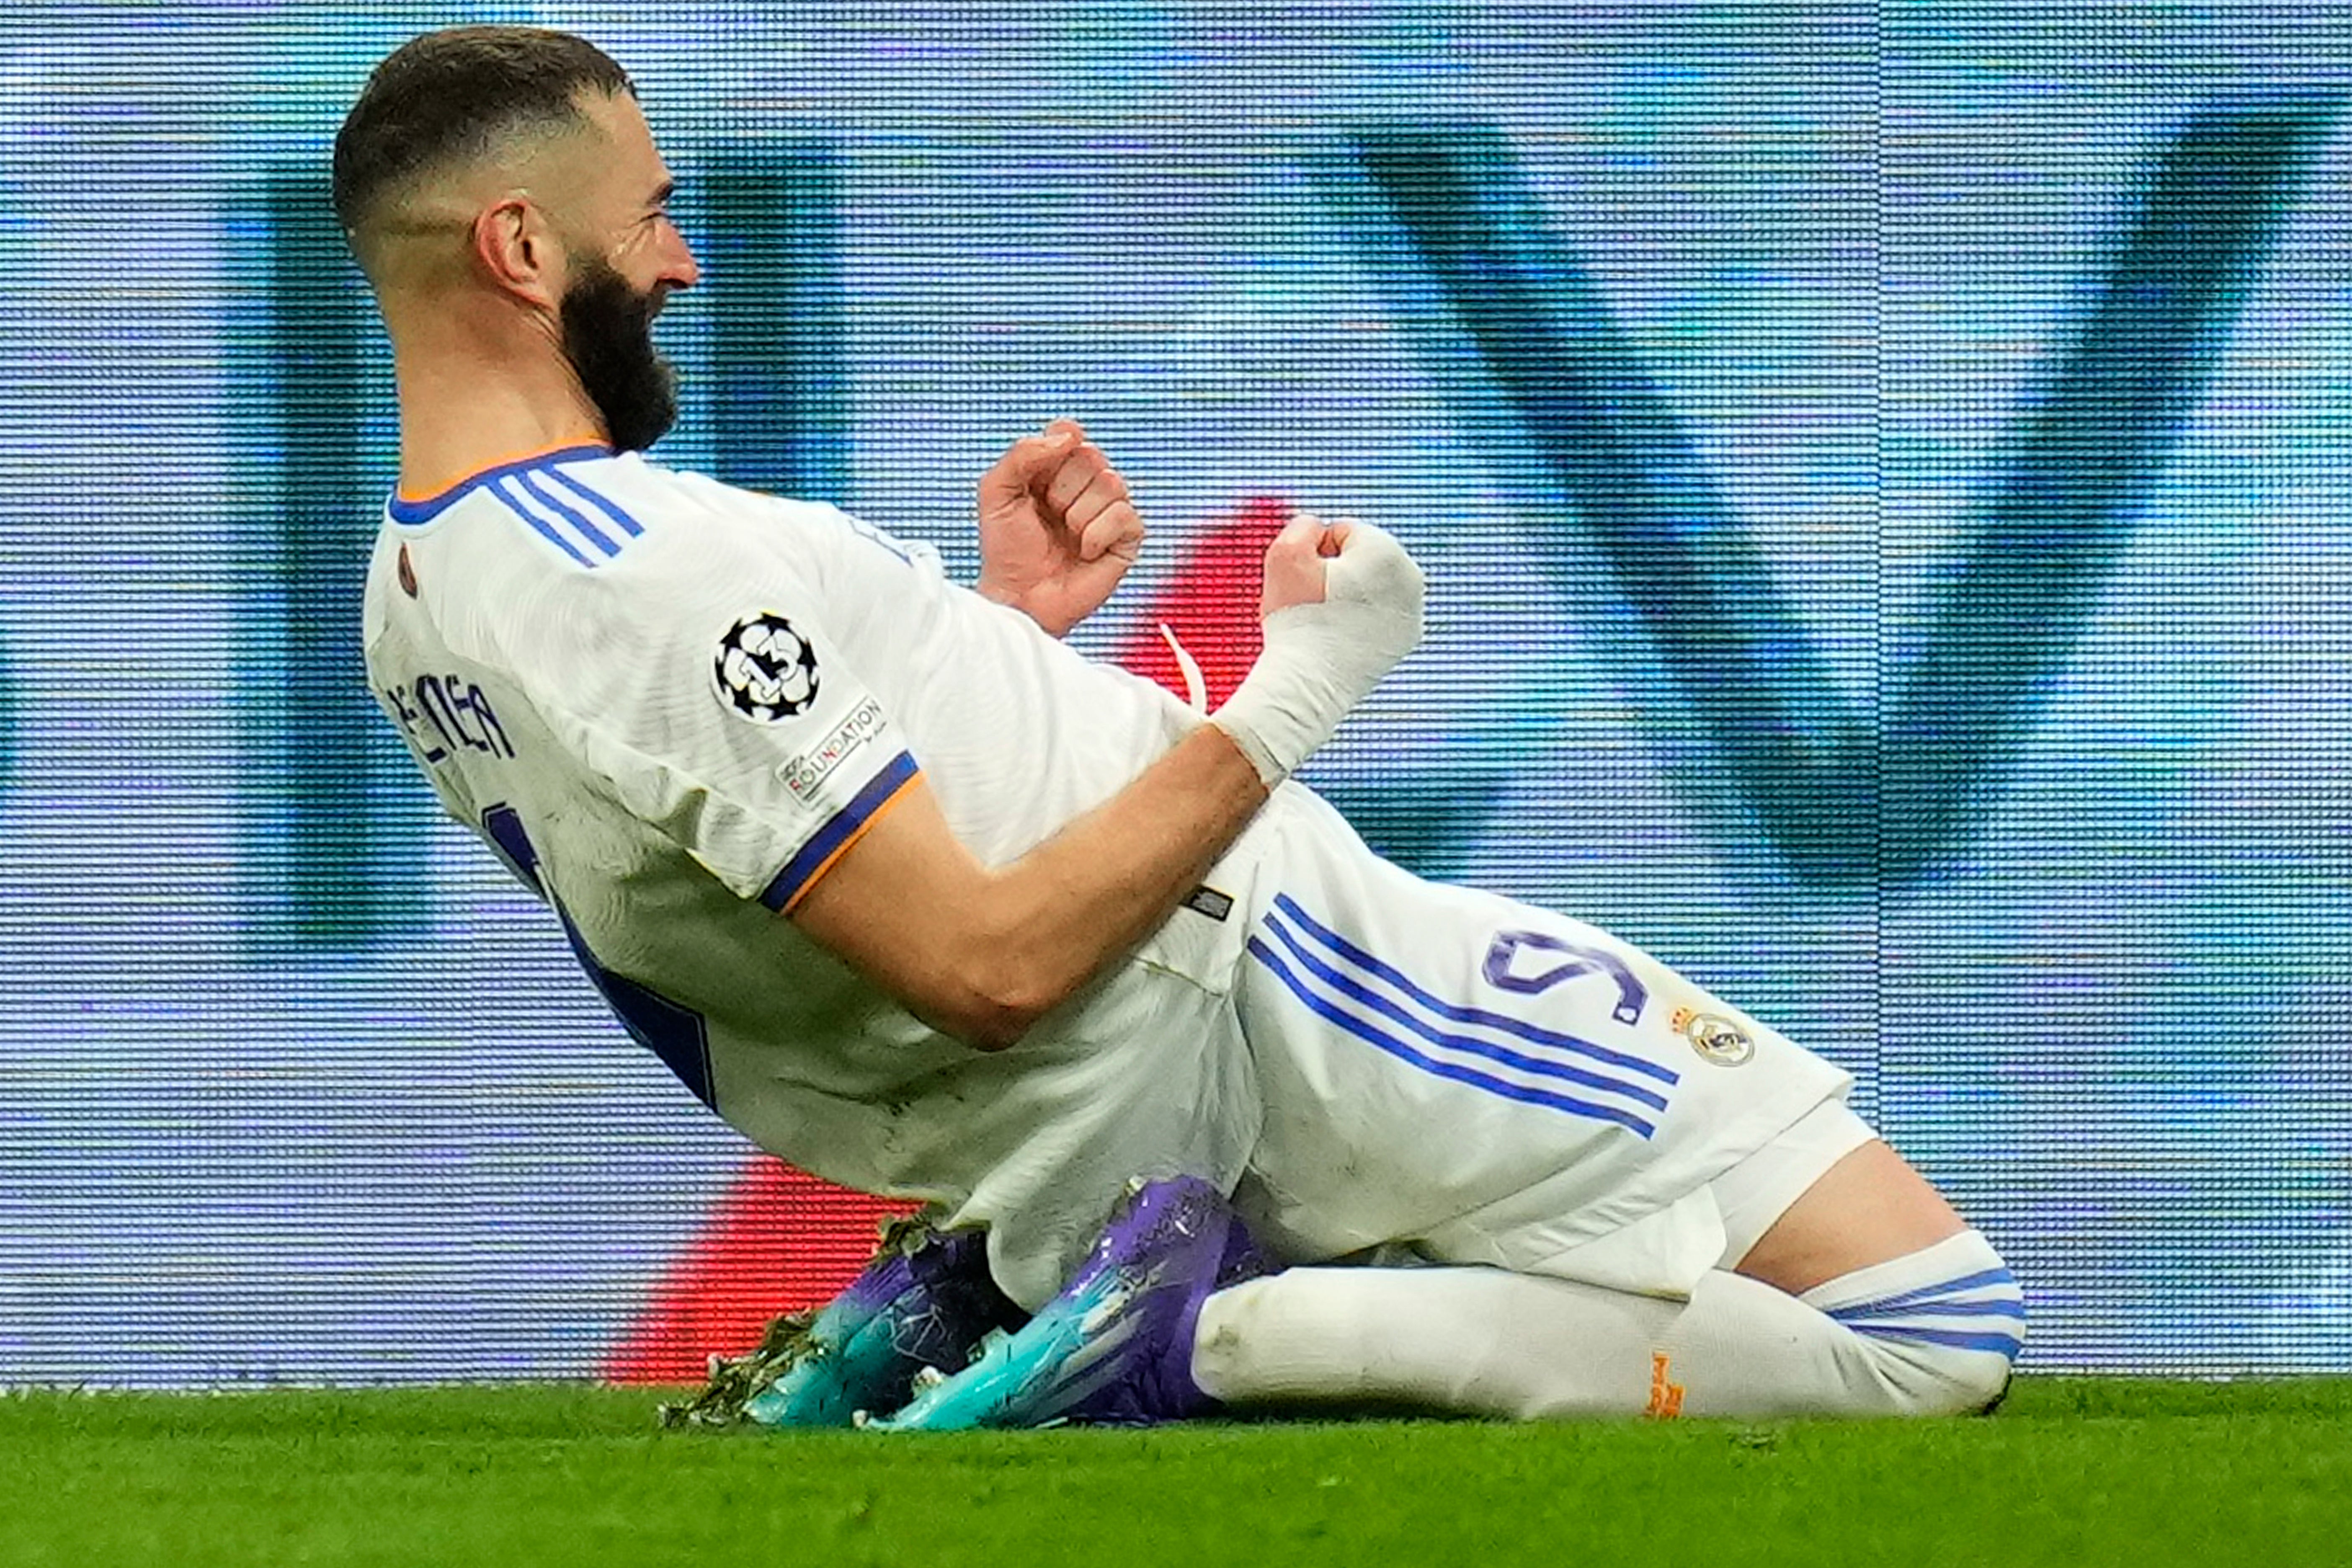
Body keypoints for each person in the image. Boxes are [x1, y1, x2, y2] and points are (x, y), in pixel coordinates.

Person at [338, 24, 2022, 1427]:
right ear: (520, 248)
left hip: (1111, 1071)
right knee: (1931, 1326)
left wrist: (995, 652)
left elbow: (716, 878)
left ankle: (1005, 1276)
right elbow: (984, 963)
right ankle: (1213, 1331)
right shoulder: (642, 566)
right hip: (1281, 978)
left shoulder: (416, 592)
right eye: (651, 217)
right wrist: (1311, 681)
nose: (682, 261)